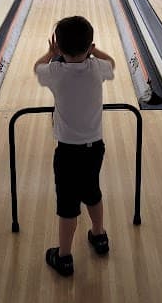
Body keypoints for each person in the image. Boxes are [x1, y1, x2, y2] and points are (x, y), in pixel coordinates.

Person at [33, 15, 115, 277]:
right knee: (92, 191)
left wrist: (50, 53)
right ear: (90, 46)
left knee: (68, 204)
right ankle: (99, 236)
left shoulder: (55, 72)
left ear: (59, 45)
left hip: (68, 151)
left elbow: (37, 67)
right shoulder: (97, 69)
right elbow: (111, 63)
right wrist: (93, 50)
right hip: (95, 148)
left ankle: (64, 256)